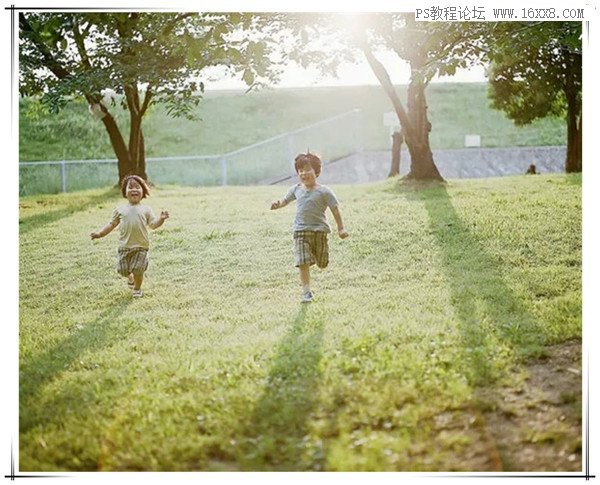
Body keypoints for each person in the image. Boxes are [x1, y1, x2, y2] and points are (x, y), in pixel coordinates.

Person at [271, 152, 348, 303]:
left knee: (322, 264)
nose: (304, 173)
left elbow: (335, 210)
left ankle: (315, 257)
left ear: (317, 171)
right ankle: (306, 292)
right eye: (300, 170)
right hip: (300, 231)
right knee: (302, 261)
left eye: (307, 169)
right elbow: (285, 200)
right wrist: (277, 204)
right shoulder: (296, 189)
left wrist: (341, 229)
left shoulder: (325, 191)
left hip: (319, 231)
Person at [90, 174, 169, 298]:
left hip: (141, 246)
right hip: (124, 246)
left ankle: (137, 288)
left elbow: (153, 225)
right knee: (122, 270)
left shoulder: (146, 209)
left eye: (137, 187)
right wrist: (100, 233)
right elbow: (111, 224)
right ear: (125, 192)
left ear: (143, 191)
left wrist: (161, 219)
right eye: (130, 187)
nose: (134, 189)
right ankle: (130, 278)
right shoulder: (120, 209)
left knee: (138, 269)